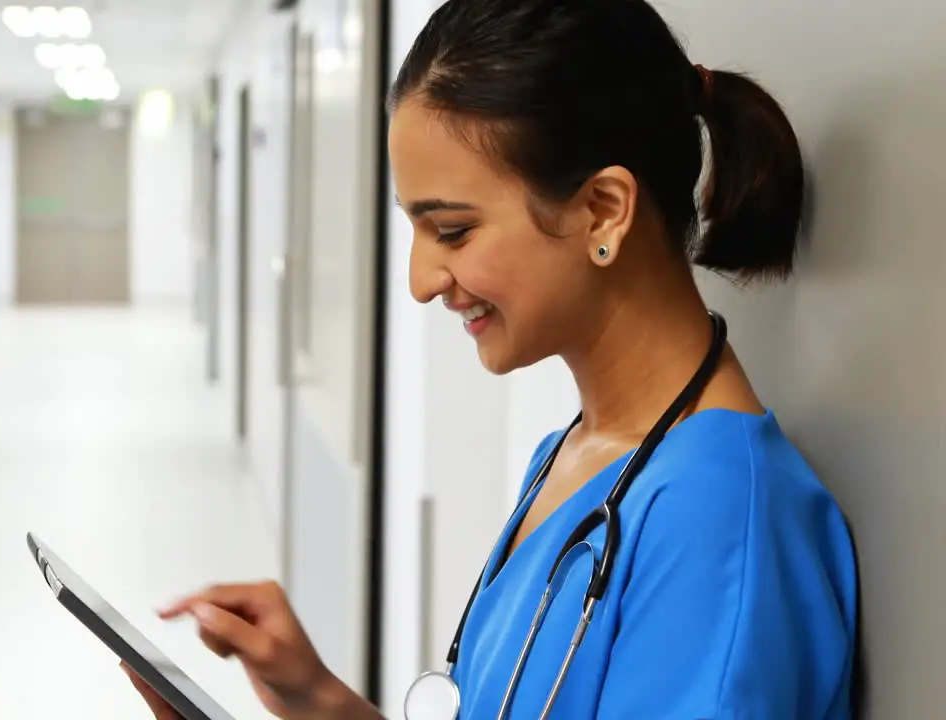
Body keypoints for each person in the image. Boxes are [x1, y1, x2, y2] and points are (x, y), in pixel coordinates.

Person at [126, 0, 860, 717]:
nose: (419, 282)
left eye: (451, 230)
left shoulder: (717, 522)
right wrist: (316, 700)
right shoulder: (573, 456)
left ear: (603, 209)